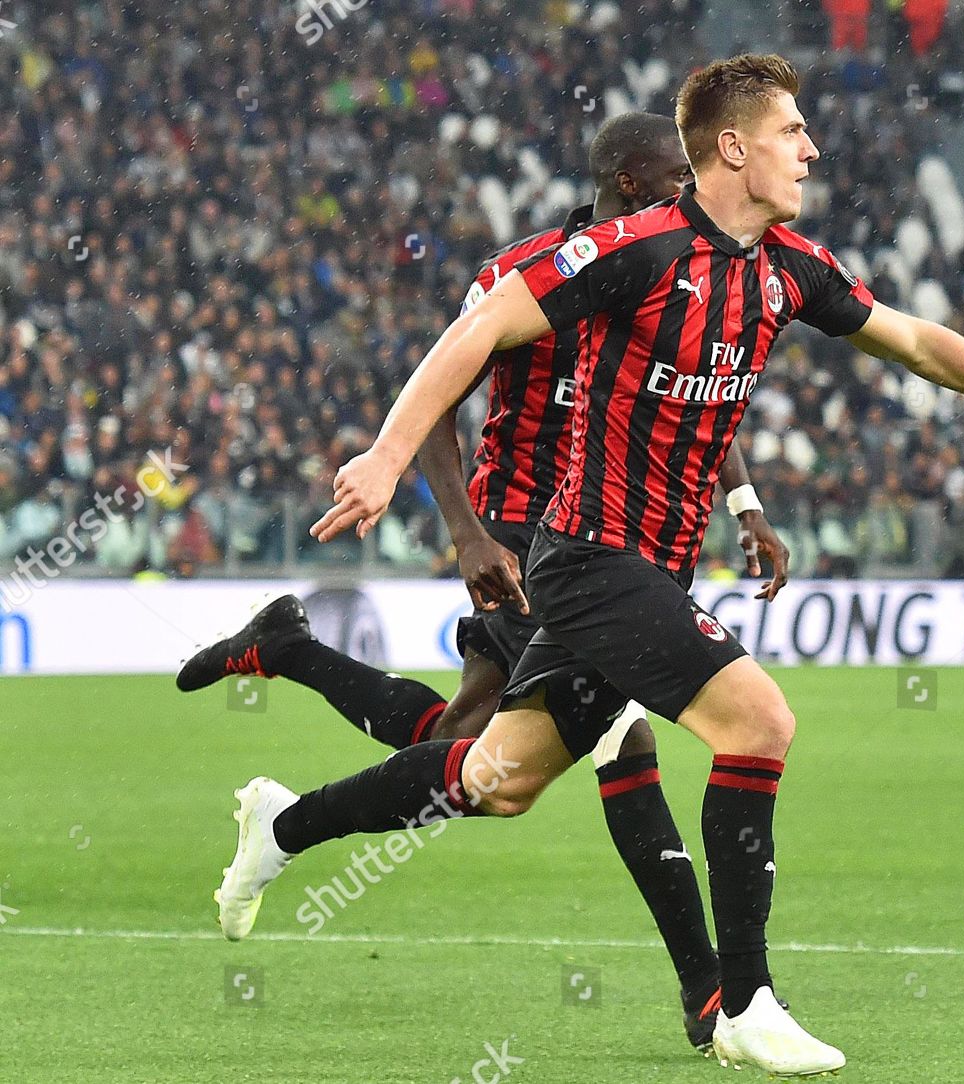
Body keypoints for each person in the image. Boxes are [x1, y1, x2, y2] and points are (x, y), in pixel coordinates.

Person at [219, 55, 964, 1076]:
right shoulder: (632, 250)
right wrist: (390, 458)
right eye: (793, 131)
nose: (812, 148)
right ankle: (741, 1000)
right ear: (733, 147)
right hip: (588, 557)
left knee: (494, 776)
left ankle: (282, 826)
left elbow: (916, 341)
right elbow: (478, 328)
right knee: (760, 721)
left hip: (654, 568)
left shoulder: (789, 266)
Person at [179, 113, 788, 1053]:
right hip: (529, 536)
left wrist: (743, 499)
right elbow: (437, 398)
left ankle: (288, 706)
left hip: (612, 537)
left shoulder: (674, 261)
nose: (693, 191)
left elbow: (693, 376)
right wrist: (465, 533)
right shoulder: (537, 268)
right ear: (630, 179)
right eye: (675, 176)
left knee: (471, 746)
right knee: (620, 742)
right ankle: (713, 997)